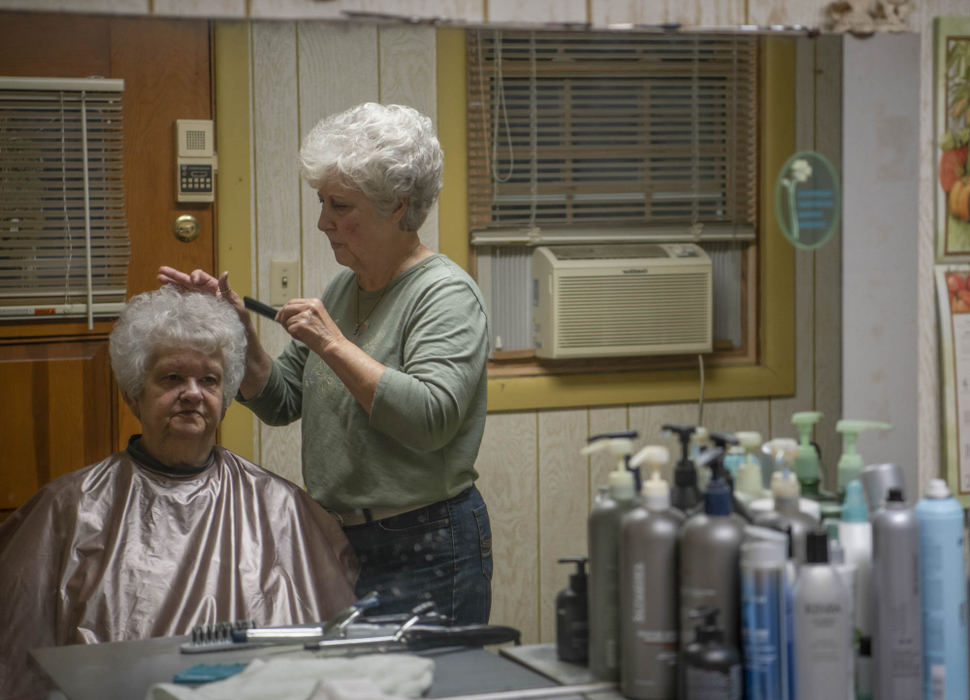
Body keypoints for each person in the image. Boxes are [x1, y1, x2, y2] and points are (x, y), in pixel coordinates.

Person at [158, 102, 492, 625]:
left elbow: (431, 419)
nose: (322, 222)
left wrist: (333, 345)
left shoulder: (445, 294)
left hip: (426, 543)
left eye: (340, 206)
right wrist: (239, 333)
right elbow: (282, 400)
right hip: (341, 536)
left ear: (398, 206)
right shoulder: (343, 288)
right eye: (322, 202)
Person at [0, 286, 357, 700]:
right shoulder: (70, 508)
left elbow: (336, 657)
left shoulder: (280, 507)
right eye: (172, 378)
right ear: (134, 393)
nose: (192, 392)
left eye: (209, 380)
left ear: (224, 399)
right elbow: (19, 666)